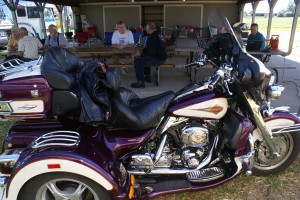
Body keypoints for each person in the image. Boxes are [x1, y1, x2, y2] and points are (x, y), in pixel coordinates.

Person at [131, 22, 167, 89]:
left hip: (158, 59)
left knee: (137, 61)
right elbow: (150, 50)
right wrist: (142, 53)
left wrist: (140, 54)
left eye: (146, 28)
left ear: (150, 29)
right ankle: (147, 77)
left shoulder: (153, 37)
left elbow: (151, 53)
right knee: (142, 57)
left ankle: (140, 82)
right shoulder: (157, 34)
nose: (145, 30)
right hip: (160, 57)